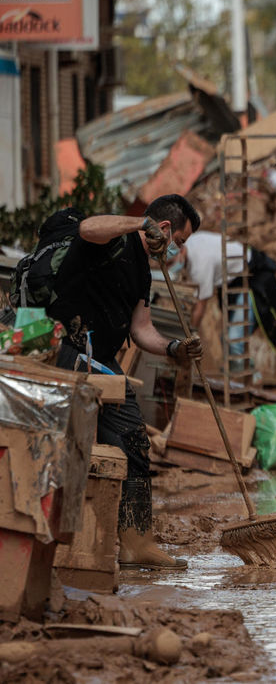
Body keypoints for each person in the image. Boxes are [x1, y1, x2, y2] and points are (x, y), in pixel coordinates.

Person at [48, 194, 204, 569]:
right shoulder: (113, 239)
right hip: (68, 352)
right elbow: (88, 228)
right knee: (70, 445)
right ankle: (59, 539)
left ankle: (136, 542)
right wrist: (138, 224)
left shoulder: (144, 270)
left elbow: (141, 329)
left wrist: (174, 347)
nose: (177, 252)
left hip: (102, 361)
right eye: (179, 242)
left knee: (133, 436)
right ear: (164, 229)